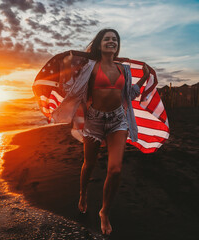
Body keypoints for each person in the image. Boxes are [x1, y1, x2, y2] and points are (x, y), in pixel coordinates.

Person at [53, 29, 150, 235]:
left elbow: (129, 94)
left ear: (117, 45)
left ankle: (104, 212)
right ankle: (83, 194)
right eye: (107, 39)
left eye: (115, 39)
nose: (111, 42)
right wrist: (66, 68)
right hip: (94, 121)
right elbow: (71, 89)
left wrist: (143, 81)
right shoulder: (89, 67)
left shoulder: (123, 69)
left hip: (118, 121)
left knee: (115, 170)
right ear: (99, 44)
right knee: (89, 164)